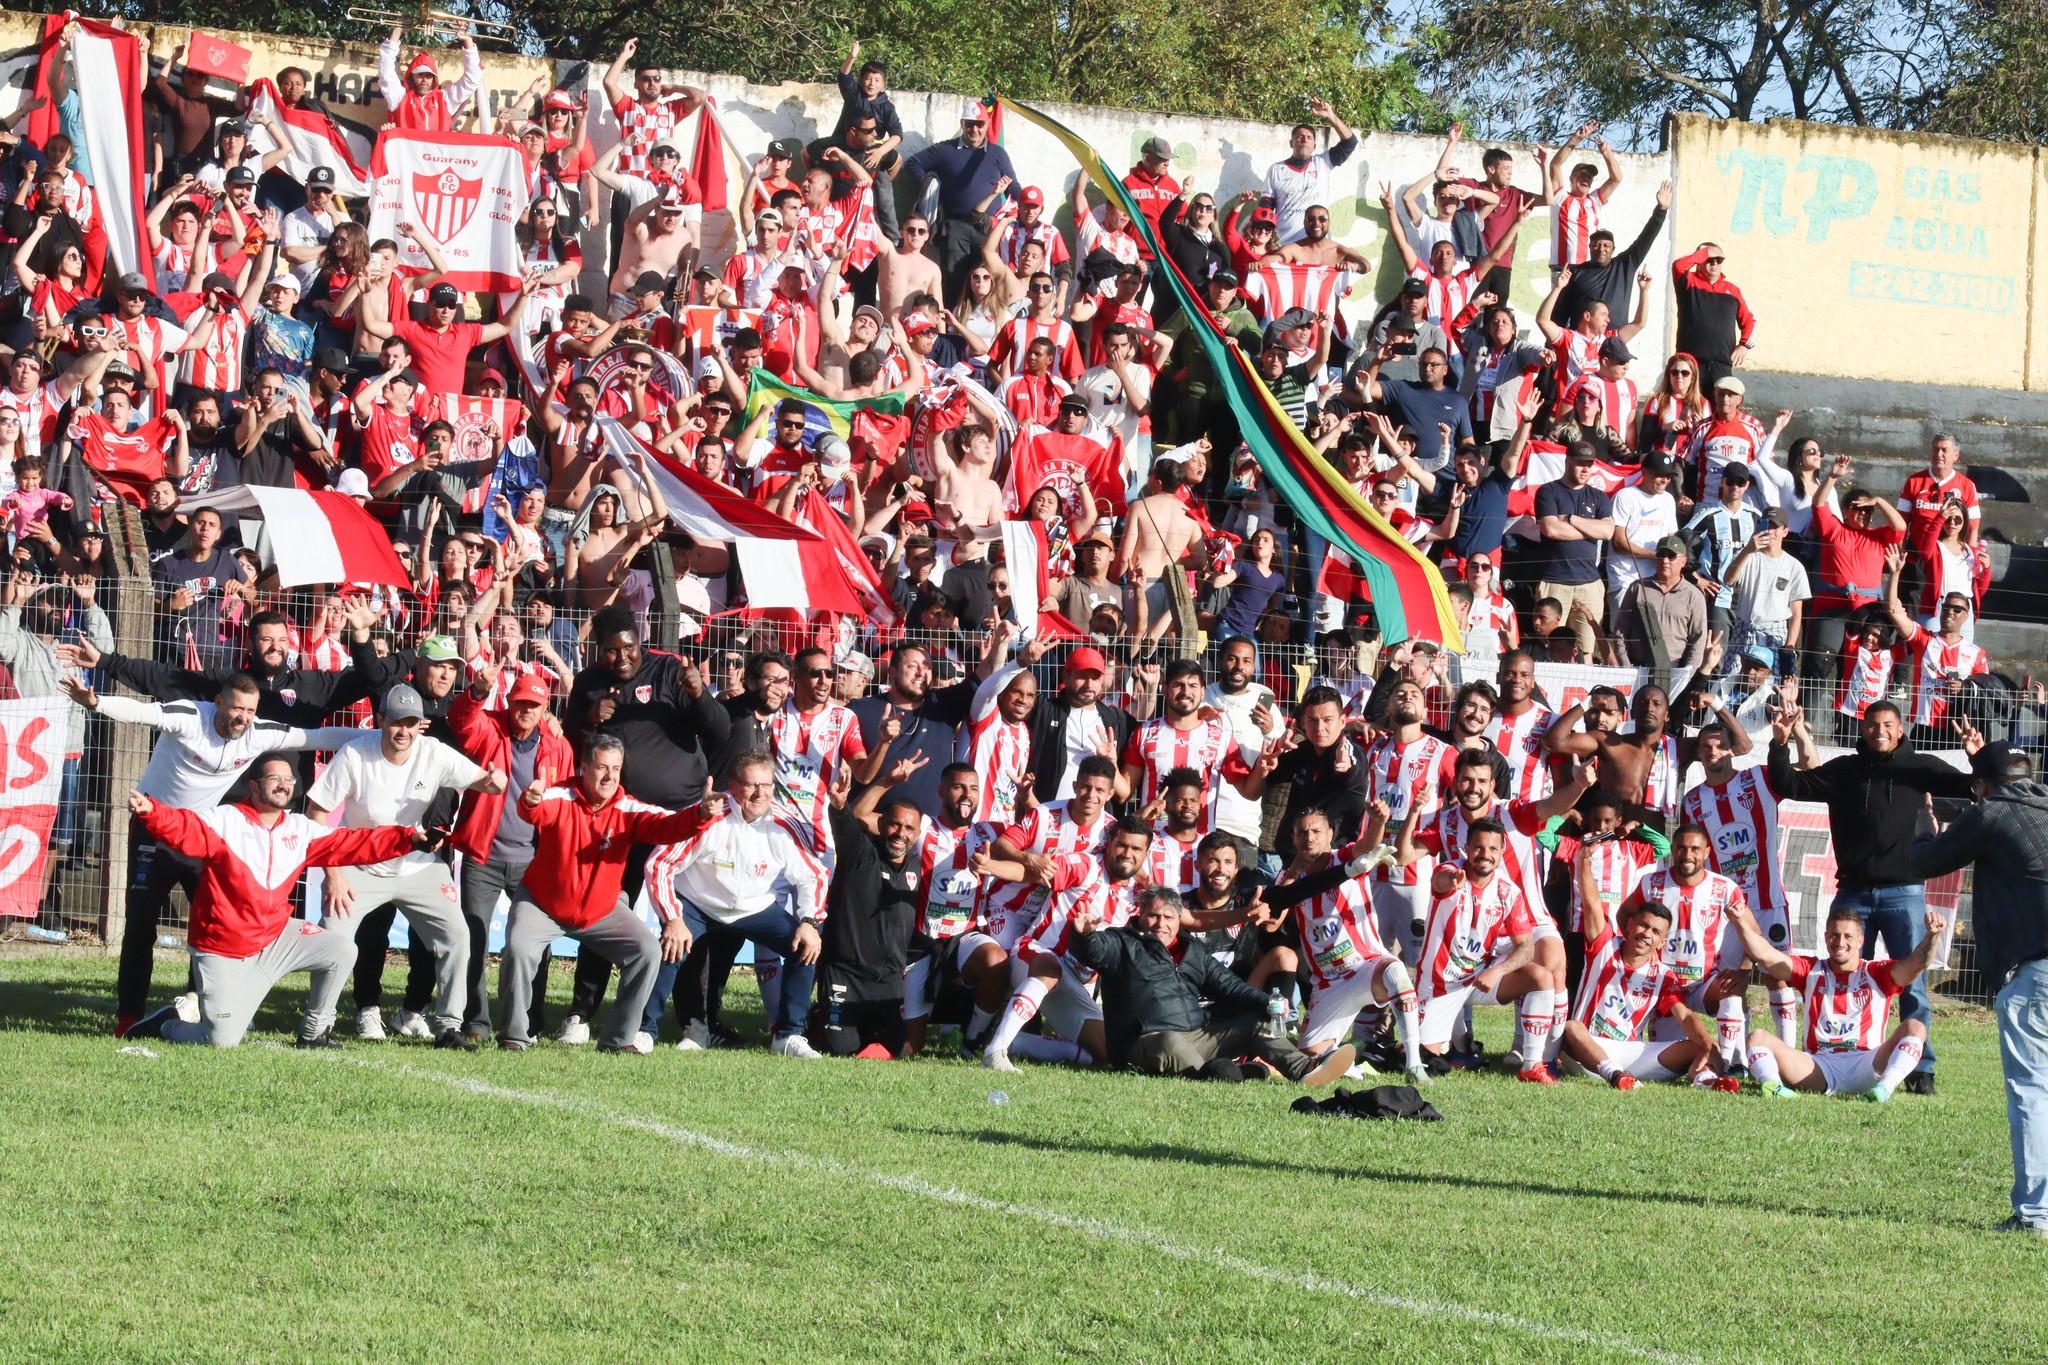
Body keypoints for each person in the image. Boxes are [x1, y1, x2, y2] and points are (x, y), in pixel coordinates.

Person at [63, 672, 363, 1035]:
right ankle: (129, 1016)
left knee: (209, 922)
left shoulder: (258, 732)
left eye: (250, 711)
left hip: (203, 838)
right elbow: (144, 713)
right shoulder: (190, 716)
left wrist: (380, 736)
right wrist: (96, 703)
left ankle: (198, 1004)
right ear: (219, 703)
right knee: (141, 926)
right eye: (237, 709)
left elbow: (315, 737)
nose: (244, 718)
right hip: (154, 829)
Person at [121, 755, 432, 1049]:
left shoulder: (300, 828)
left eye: (289, 779)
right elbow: (184, 828)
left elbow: (352, 842)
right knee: (222, 1041)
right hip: (224, 947)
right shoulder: (224, 819)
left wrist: (408, 839)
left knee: (341, 949)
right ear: (254, 786)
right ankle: (166, 1024)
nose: (284, 784)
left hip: (274, 939)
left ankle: (315, 1033)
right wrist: (152, 811)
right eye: (275, 778)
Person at [1766, 696, 1982, 1094]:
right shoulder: (1845, 770)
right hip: (1853, 894)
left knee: (1912, 983)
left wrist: (1978, 757)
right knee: (1843, 979)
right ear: (1863, 729)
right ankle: (1839, 1056)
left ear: (1901, 730)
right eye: (1872, 725)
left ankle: (1921, 1072)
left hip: (1904, 893)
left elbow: (1971, 786)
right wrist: (1780, 744)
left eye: (1887, 725)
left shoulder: (1920, 767)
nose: (1879, 732)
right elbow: (1789, 784)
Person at [305, 684, 507, 1052]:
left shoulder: (433, 753)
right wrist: (332, 874)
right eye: (397, 722)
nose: (404, 731)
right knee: (333, 936)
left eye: (412, 723)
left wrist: (495, 781)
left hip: (419, 867)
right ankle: (316, 1027)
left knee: (458, 938)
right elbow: (316, 812)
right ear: (381, 720)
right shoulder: (354, 755)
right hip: (360, 865)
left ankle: (448, 1027)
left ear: (421, 725)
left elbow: (485, 781)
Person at [1907, 743, 2048, 1233]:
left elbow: (1925, 862)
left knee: (2032, 1090)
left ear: (1982, 786)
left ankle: (2034, 1215)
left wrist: (1926, 820)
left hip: (2039, 973)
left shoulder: (1990, 813)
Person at [498, 736, 705, 1054]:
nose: (610, 776)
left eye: (616, 769)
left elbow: (669, 827)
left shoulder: (628, 808)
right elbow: (536, 812)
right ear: (583, 768)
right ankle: (515, 1035)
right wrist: (531, 801)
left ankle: (619, 1039)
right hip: (542, 903)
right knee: (519, 948)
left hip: (603, 909)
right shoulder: (561, 795)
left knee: (647, 951)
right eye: (601, 768)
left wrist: (700, 814)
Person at [1068, 885, 1355, 1085]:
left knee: (1253, 1023)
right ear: (1140, 915)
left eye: (1168, 917)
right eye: (1153, 915)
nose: (1160, 924)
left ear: (1179, 920)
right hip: (1145, 1041)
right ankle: (1220, 1074)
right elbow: (1094, 950)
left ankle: (1304, 1068)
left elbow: (1229, 987)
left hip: (1195, 1036)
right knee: (1169, 1042)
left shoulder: (1192, 951)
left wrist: (1265, 1003)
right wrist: (1083, 936)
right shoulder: (1121, 942)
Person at [644, 750, 830, 1057]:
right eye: (751, 784)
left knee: (805, 947)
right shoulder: (708, 814)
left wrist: (809, 922)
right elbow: (659, 865)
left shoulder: (785, 823)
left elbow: (815, 876)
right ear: (732, 785)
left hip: (754, 909)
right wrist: (673, 918)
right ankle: (645, 1030)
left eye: (767, 785)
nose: (760, 793)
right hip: (698, 903)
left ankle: (787, 1036)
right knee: (669, 948)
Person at [447, 665, 575, 1042]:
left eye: (534, 705)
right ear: (509, 701)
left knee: (535, 943)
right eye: (520, 702)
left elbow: (565, 803)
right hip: (483, 857)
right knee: (475, 939)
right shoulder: (489, 728)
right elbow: (461, 720)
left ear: (544, 708)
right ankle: (476, 1022)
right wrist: (476, 690)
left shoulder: (558, 747)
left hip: (534, 860)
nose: (526, 710)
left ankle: (529, 1021)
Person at [1728, 896, 1945, 1103]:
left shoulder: (1877, 973)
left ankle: (1884, 1089)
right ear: (1825, 937)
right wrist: (1738, 921)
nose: (1840, 942)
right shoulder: (1811, 970)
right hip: (1818, 1067)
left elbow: (1917, 963)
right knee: (1757, 1037)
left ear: (1861, 941)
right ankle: (1774, 1087)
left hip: (1867, 1065)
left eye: (1848, 936)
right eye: (1834, 935)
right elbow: (1766, 954)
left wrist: (1932, 936)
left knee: (1915, 1027)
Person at [1561, 838, 1718, 1089]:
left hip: (1632, 1054)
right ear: (1630, 925)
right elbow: (1591, 904)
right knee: (1570, 1028)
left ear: (1662, 942)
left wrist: (1709, 1048)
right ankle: (1614, 1075)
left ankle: (1706, 1080)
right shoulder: (1604, 946)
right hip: (1587, 1050)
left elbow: (1685, 1015)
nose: (1647, 934)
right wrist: (1585, 860)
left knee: (1699, 1045)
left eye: (1656, 932)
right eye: (1643, 925)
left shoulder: (1663, 974)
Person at [1414, 819, 1561, 1082]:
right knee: (1419, 1057)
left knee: (1541, 976)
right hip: (1438, 984)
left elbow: (1526, 948)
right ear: (1466, 848)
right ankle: (1462, 1046)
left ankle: (1531, 1064)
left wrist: (1497, 971)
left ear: (1502, 850)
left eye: (1493, 849)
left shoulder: (1508, 891)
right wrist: (1451, 881)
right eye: (1479, 848)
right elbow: (1439, 881)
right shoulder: (1450, 870)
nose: (1485, 855)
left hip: (1478, 977)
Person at [1531, 442, 1614, 660]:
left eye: (1589, 464)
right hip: (1554, 581)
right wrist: (1590, 529)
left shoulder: (1599, 497)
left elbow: (1607, 532)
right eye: (1580, 463)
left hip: (1589, 583)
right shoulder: (1548, 491)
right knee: (1548, 647)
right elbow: (1550, 529)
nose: (1585, 469)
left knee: (1585, 650)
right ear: (1568, 461)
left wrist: (1571, 519)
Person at [1263, 99, 1359, 245]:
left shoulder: (1323, 162)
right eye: (1299, 136)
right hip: (1284, 244)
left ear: (1314, 145)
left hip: (1318, 245)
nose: (1304, 139)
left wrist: (1330, 116)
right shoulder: (1276, 170)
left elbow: (1350, 142)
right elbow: (1266, 208)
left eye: (1309, 137)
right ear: (1291, 143)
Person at [1670, 241, 1756, 390]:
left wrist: (1744, 345)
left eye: (1719, 260)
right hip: (1690, 364)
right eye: (1709, 259)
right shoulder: (1688, 282)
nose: (1714, 263)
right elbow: (1678, 266)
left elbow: (1749, 320)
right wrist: (1703, 253)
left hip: (1722, 365)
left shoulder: (1732, 290)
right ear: (1700, 261)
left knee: (1721, 411)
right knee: (1689, 410)